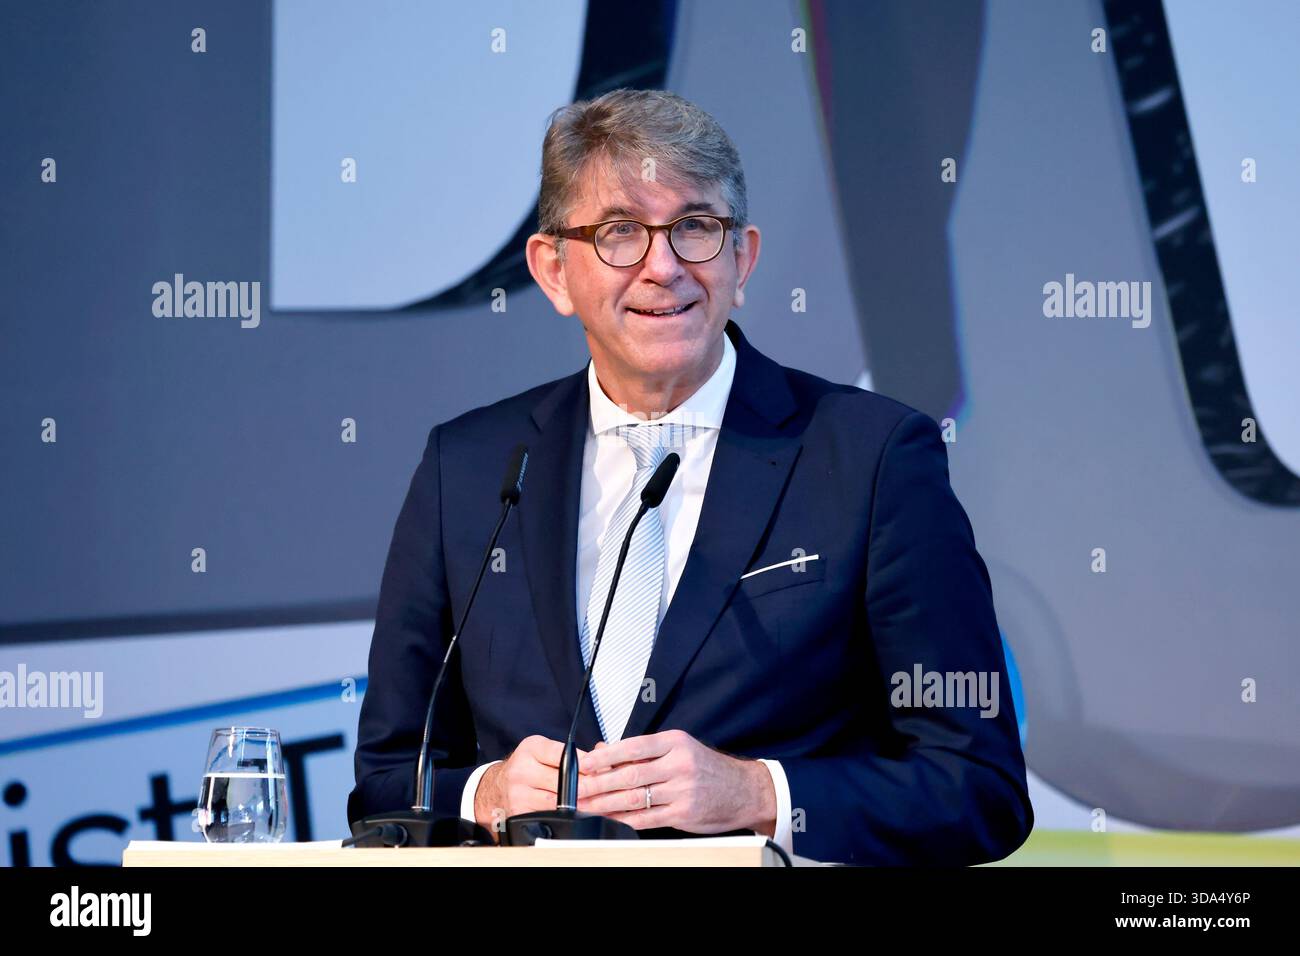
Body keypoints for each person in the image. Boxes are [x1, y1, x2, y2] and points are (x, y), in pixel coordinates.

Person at [347, 88, 1032, 865]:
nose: (663, 268)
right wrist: (489, 795)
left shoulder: (872, 458)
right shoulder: (469, 470)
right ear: (553, 271)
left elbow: (978, 785)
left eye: (695, 229)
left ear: (743, 258)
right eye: (618, 233)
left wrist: (761, 794)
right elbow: (384, 778)